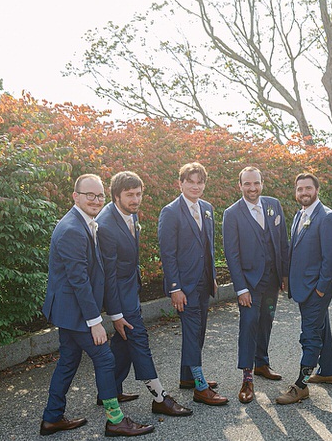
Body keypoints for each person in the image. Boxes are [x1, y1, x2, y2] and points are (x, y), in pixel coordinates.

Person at [41, 173, 154, 439]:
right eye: (89, 195)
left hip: (68, 310)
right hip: (74, 311)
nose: (95, 200)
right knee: (104, 359)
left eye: (99, 195)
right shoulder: (71, 229)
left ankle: (52, 418)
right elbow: (78, 280)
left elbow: (94, 274)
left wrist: (110, 313)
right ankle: (115, 420)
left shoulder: (85, 222)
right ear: (75, 196)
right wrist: (95, 322)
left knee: (68, 361)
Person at [97, 171, 191, 419]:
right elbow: (108, 275)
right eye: (130, 195)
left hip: (130, 288)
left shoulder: (130, 213)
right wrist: (116, 314)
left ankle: (109, 390)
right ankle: (160, 397)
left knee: (122, 343)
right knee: (139, 341)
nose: (136, 200)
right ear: (116, 196)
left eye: (138, 194)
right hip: (119, 295)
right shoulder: (105, 225)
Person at [157, 162, 227, 405]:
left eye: (200, 182)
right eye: (191, 182)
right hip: (184, 286)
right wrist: (175, 288)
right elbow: (167, 253)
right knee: (191, 332)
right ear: (181, 183)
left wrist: (214, 277)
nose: (196, 186)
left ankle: (187, 376)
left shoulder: (207, 208)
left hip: (204, 282)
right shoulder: (170, 211)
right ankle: (199, 386)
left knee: (199, 333)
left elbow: (209, 246)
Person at [222, 167, 288, 403]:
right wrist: (240, 288)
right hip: (249, 283)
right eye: (247, 184)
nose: (252, 188)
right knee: (249, 324)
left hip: (272, 279)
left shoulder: (274, 205)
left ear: (262, 183)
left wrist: (284, 274)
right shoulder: (232, 214)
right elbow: (232, 254)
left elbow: (282, 242)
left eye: (256, 183)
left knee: (266, 322)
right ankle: (247, 378)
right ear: (239, 185)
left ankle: (262, 363)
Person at [276, 173, 332, 407]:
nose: (303, 193)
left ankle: (301, 385)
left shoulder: (327, 217)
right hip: (303, 286)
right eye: (300, 189)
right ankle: (329, 372)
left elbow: (331, 257)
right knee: (321, 329)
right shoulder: (299, 215)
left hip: (316, 289)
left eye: (308, 189)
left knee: (310, 336)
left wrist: (322, 289)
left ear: (317, 190)